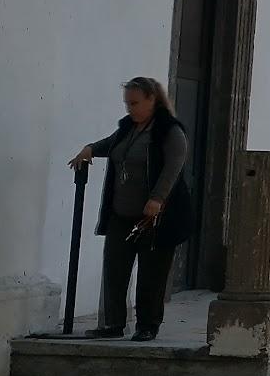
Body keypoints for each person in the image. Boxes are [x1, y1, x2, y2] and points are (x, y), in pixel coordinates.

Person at [69, 77, 195, 340]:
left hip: (155, 217)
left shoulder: (168, 130)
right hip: (121, 212)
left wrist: (157, 199)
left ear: (152, 99)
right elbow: (112, 145)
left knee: (151, 273)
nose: (130, 108)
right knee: (115, 267)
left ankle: (148, 325)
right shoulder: (128, 128)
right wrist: (90, 149)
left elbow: (174, 166)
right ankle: (113, 324)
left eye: (135, 103)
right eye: (127, 103)